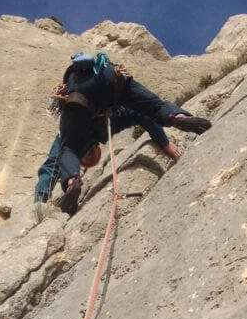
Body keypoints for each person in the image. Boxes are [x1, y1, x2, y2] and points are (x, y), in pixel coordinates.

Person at [40, 52, 211, 211]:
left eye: (87, 158)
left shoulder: (70, 137)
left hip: (76, 92)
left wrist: (44, 197)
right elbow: (142, 116)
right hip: (109, 75)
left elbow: (61, 158)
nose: (88, 155)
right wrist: (164, 144)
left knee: (68, 149)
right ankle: (179, 117)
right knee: (154, 106)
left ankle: (72, 181)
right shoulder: (109, 126)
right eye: (91, 158)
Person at [34, 106, 183, 203]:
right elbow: (141, 113)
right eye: (88, 157)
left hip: (90, 120)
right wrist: (164, 143)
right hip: (102, 117)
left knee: (53, 165)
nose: (84, 155)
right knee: (56, 164)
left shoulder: (67, 143)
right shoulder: (100, 129)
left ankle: (41, 200)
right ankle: (181, 117)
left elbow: (50, 169)